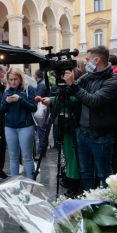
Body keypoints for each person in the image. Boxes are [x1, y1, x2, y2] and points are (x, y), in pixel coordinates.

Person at [62, 46, 117, 190]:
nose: (86, 62)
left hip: (101, 136)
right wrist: (68, 83)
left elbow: (93, 101)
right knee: (85, 172)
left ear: (97, 60)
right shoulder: (89, 76)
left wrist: (73, 86)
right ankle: (89, 203)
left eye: (88, 60)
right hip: (83, 133)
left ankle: (107, 206)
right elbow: (73, 90)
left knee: (104, 174)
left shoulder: (113, 81)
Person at [42, 67, 84, 197]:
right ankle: (69, 179)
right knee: (67, 155)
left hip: (74, 125)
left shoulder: (77, 86)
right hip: (64, 125)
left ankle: (74, 184)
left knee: (73, 156)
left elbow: (76, 99)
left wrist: (53, 100)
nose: (63, 78)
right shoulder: (61, 88)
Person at [0, 67, 37, 179]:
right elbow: (1, 110)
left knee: (27, 157)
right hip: (10, 127)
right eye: (10, 79)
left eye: (15, 79)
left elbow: (33, 107)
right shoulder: (7, 91)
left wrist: (20, 100)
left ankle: (31, 183)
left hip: (26, 126)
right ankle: (14, 184)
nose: (13, 82)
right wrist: (6, 102)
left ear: (20, 78)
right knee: (13, 157)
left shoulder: (29, 89)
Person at [33, 69, 49, 159]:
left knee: (42, 131)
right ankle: (42, 151)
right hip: (44, 110)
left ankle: (40, 152)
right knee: (42, 131)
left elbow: (37, 98)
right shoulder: (42, 83)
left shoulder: (41, 85)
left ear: (36, 75)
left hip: (42, 111)